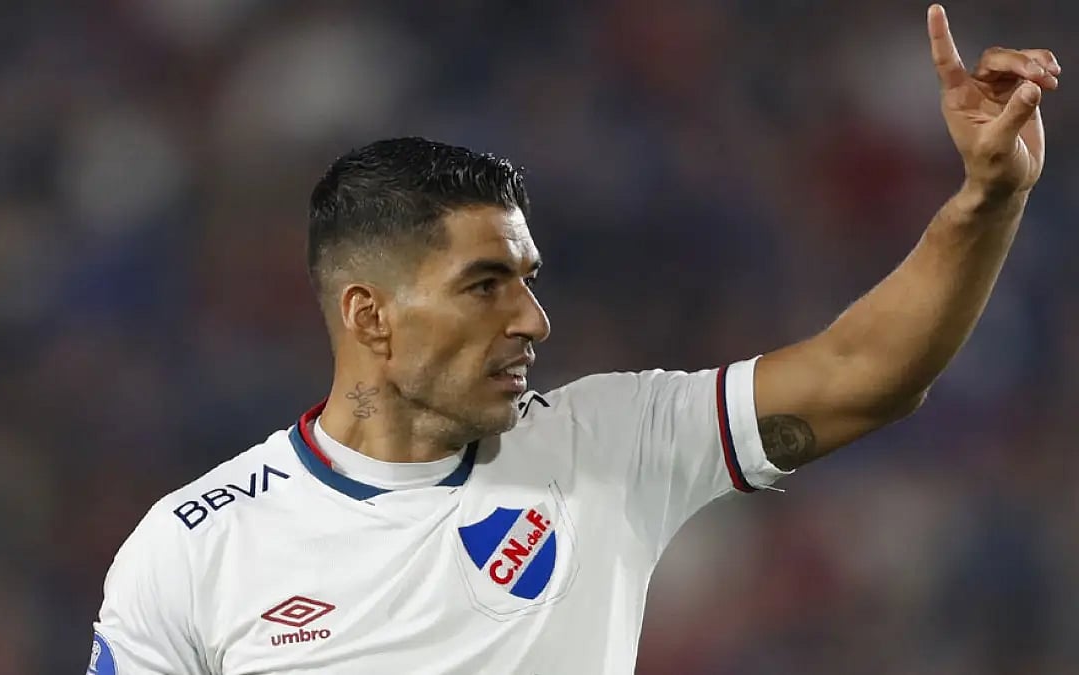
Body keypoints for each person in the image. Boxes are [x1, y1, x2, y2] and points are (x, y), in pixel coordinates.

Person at [87, 6, 1060, 674]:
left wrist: (987, 199)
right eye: (484, 285)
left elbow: (865, 375)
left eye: (527, 280)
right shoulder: (194, 548)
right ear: (369, 315)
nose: (532, 319)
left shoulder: (609, 442)